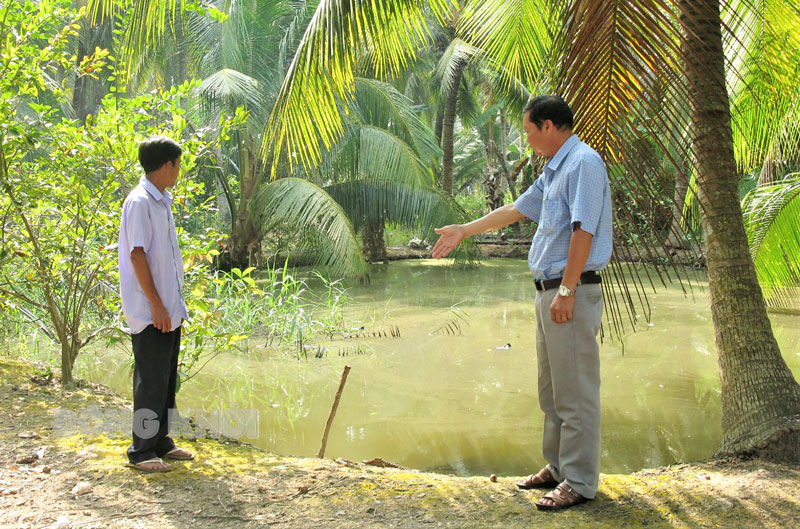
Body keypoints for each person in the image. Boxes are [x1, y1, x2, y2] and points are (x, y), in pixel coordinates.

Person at [432, 95, 612, 511]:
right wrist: (465, 229)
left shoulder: (584, 162)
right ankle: (558, 467)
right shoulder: (555, 169)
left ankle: (580, 481)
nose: (527, 140)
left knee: (576, 392)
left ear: (550, 126)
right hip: (549, 292)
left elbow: (583, 230)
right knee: (552, 391)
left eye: (529, 131)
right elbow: (515, 209)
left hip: (570, 290)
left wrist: (566, 290)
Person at [118, 136, 195, 472]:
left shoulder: (162, 200)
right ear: (166, 166)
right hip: (151, 310)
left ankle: (161, 441)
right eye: (178, 164)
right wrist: (156, 305)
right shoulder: (139, 203)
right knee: (150, 378)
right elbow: (137, 255)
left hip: (169, 308)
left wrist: (172, 304)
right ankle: (141, 451)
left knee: (166, 377)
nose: (179, 171)